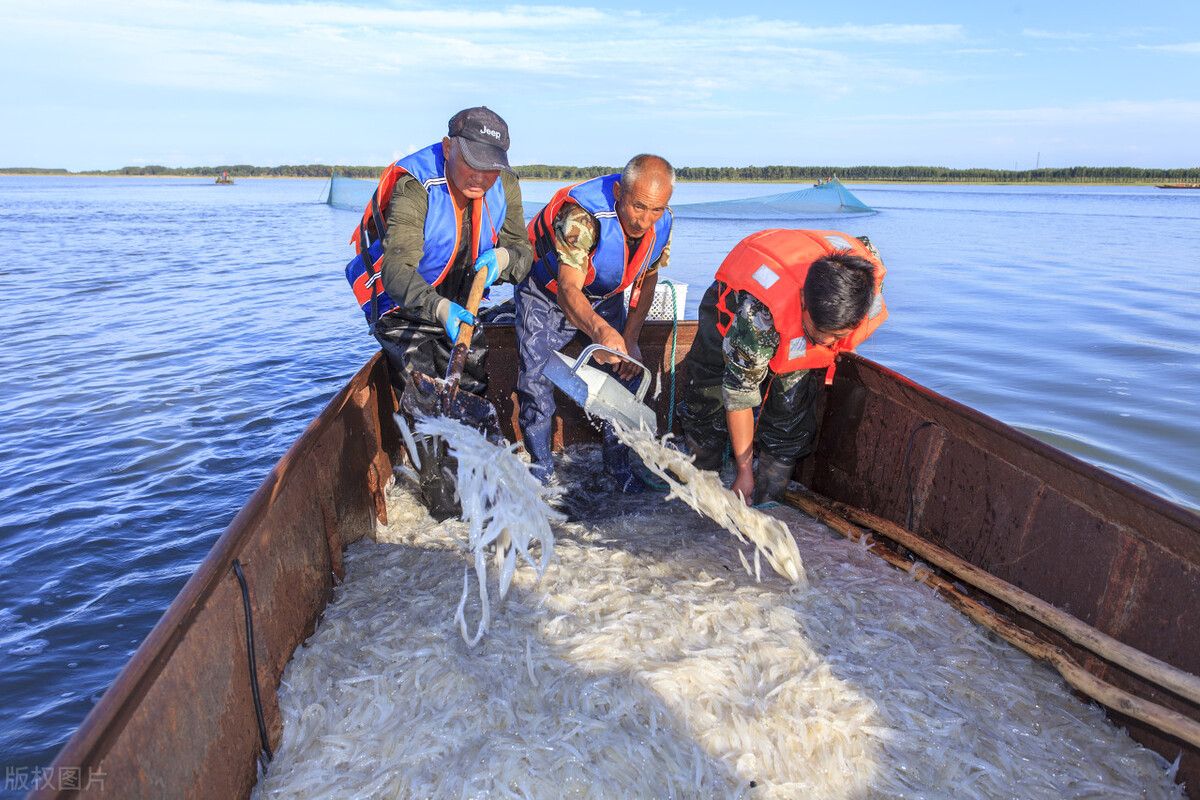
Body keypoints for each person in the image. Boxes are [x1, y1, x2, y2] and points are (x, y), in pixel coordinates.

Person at [677, 229, 887, 505]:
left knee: (790, 414)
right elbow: (739, 395)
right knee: (708, 399)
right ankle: (703, 488)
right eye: (819, 330)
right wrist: (743, 472)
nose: (824, 341)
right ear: (802, 302)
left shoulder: (866, 281)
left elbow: (830, 330)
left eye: (835, 336)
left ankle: (768, 501)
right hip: (732, 312)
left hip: (793, 331)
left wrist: (834, 342)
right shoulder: (757, 317)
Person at [344, 106, 533, 397]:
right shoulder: (414, 186)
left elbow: (523, 251)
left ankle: (468, 438)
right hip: (401, 308)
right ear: (448, 148)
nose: (481, 177)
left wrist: (505, 258)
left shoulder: (505, 183)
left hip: (461, 302)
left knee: (473, 386)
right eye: (472, 162)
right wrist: (440, 309)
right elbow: (396, 272)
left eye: (491, 167)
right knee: (423, 395)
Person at [514, 154, 675, 490]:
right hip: (547, 293)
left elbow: (648, 278)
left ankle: (618, 471)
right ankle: (541, 473)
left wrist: (629, 338)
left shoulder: (662, 221)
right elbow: (568, 290)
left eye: (656, 210)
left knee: (624, 372)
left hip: (604, 295)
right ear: (619, 192)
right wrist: (601, 332)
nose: (645, 220)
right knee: (536, 379)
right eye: (638, 207)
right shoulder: (581, 218)